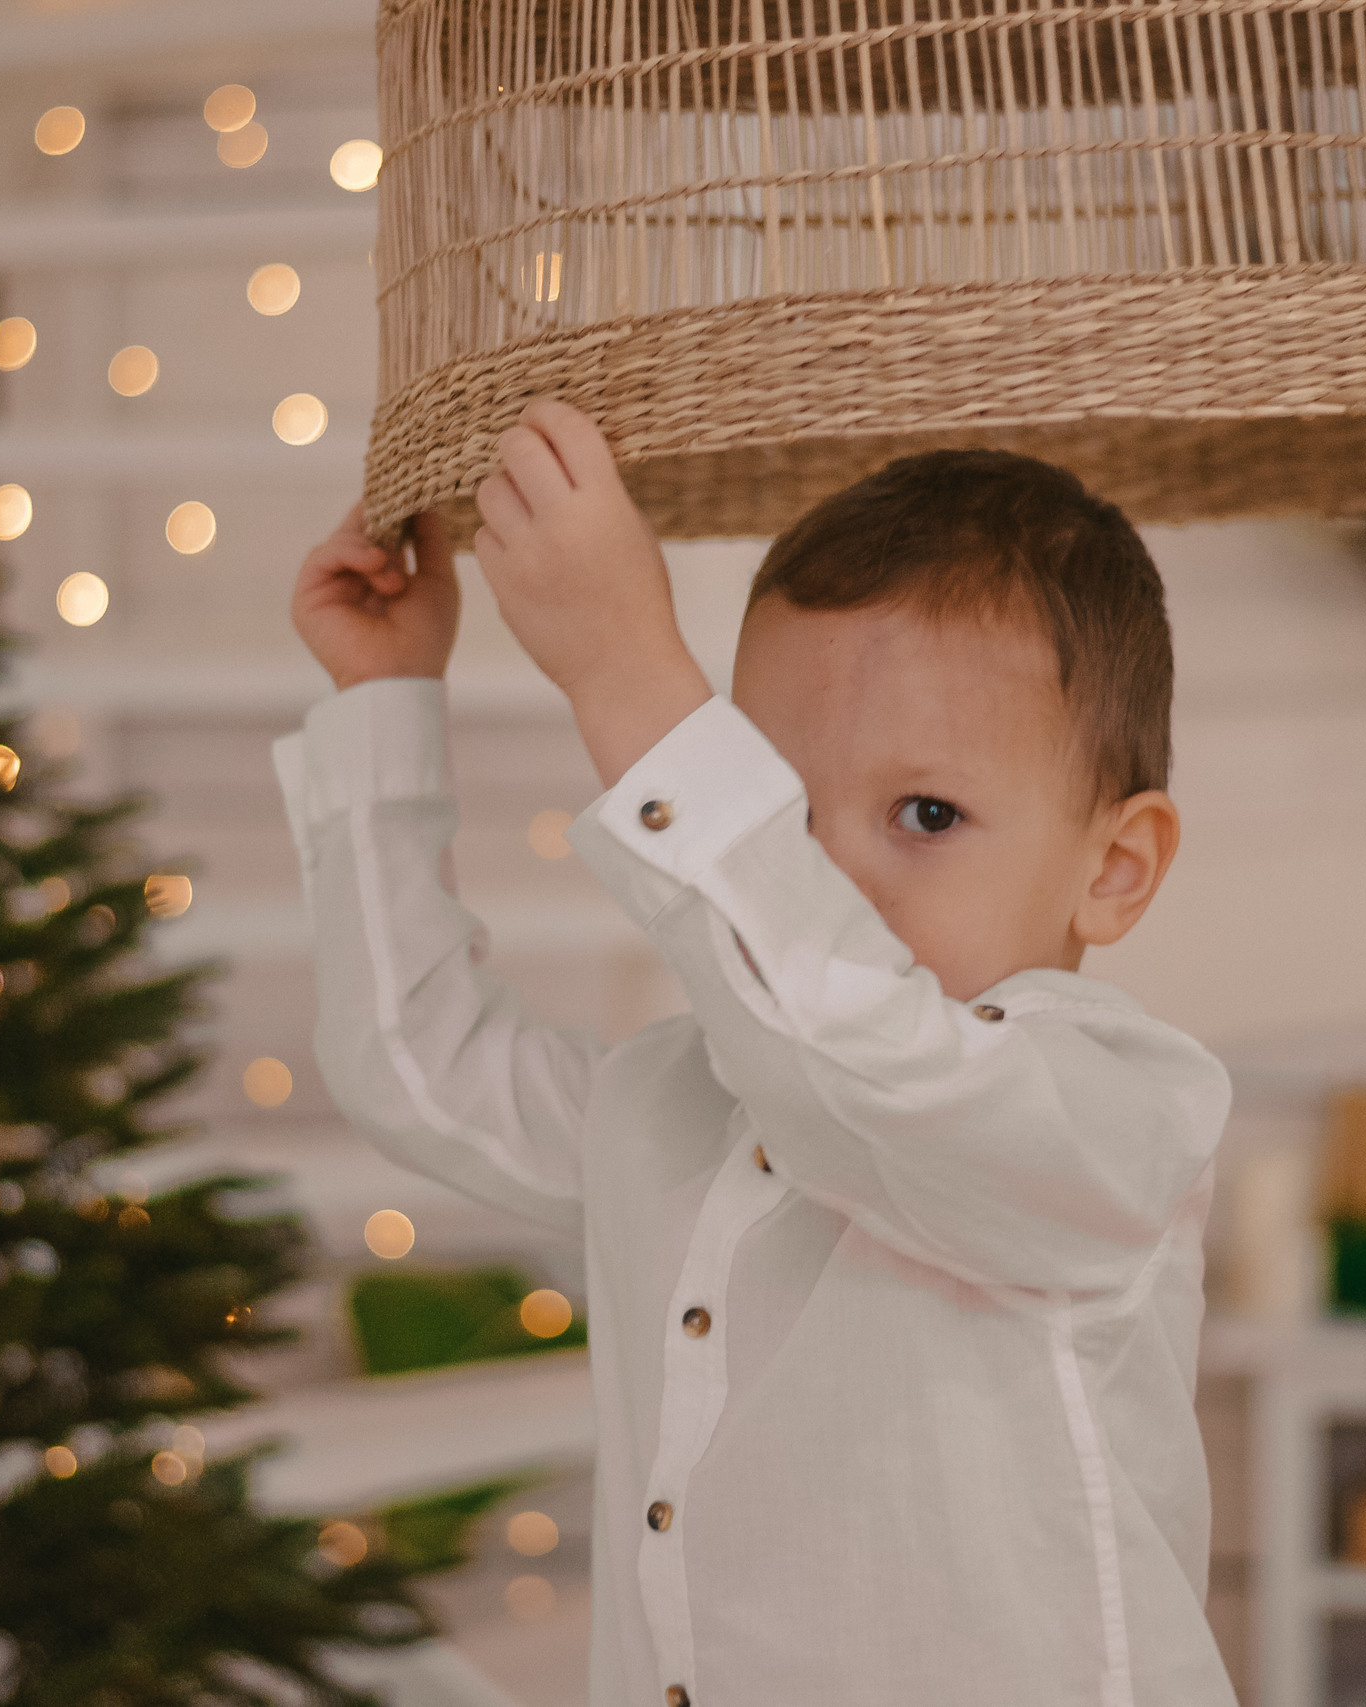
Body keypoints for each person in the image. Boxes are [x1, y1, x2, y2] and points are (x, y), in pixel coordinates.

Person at [276, 401, 1234, 1707]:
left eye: (926, 814)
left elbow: (866, 1061)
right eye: (783, 814)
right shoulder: (689, 1097)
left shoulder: (1113, 1111)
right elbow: (419, 1058)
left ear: (1112, 869)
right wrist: (386, 702)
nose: (828, 872)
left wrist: (626, 670)